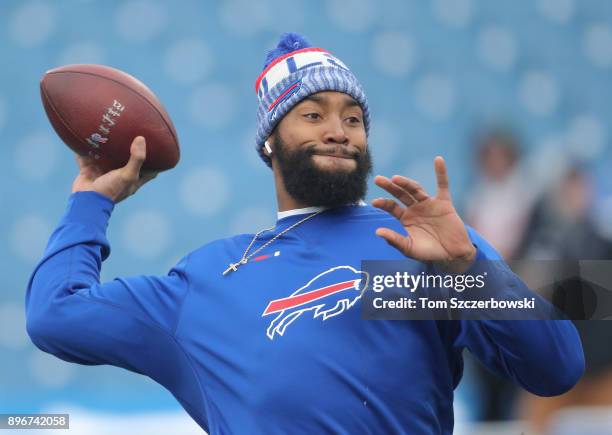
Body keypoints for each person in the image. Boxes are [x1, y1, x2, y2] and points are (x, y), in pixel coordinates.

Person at [26, 33, 584, 435]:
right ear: (270, 142)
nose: (339, 132)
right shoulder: (207, 279)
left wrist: (470, 272)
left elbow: (558, 370)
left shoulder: (426, 247)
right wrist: (91, 201)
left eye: (353, 118)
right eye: (312, 115)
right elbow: (53, 315)